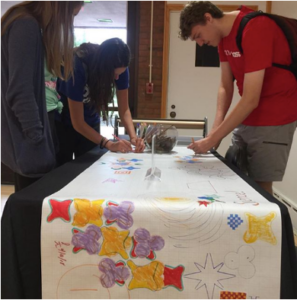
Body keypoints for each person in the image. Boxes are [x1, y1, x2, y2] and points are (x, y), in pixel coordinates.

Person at [179, 0, 297, 194]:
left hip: (275, 117)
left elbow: (251, 98)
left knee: (261, 189)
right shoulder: (223, 39)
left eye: (198, 36)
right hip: (247, 118)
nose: (200, 43)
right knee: (237, 178)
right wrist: (214, 133)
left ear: (208, 18)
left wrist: (212, 139)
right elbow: (225, 86)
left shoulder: (256, 27)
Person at [0, 0, 84, 192]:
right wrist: (37, 139)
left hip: (31, 140)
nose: (67, 23)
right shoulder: (25, 25)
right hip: (31, 144)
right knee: (33, 213)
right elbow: (20, 92)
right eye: (70, 15)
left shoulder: (23, 22)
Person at [55, 38, 145, 166]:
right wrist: (109, 144)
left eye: (121, 73)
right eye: (114, 74)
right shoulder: (77, 67)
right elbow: (78, 122)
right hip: (65, 124)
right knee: (63, 171)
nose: (117, 78)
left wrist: (134, 138)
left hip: (91, 122)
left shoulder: (121, 68)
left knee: (89, 170)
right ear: (104, 68)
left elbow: (124, 109)